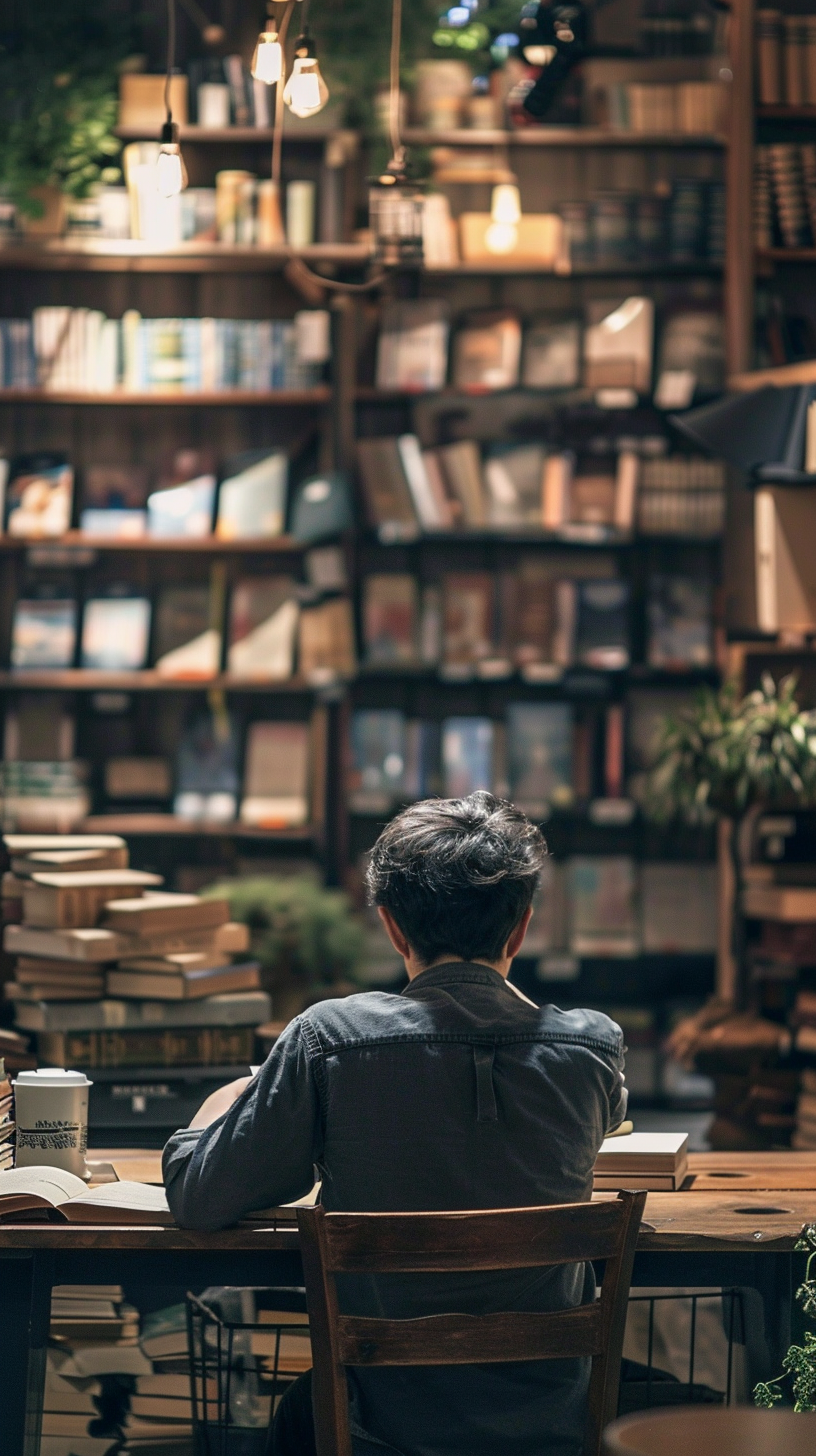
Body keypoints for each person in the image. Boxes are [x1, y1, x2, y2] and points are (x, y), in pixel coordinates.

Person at [163, 792, 627, 1456]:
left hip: (378, 1429)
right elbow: (609, 1112)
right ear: (521, 927)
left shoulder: (328, 1040)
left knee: (295, 1408)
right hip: (553, 1425)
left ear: (391, 927)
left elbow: (200, 1198)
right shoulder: (592, 1047)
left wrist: (223, 1103)